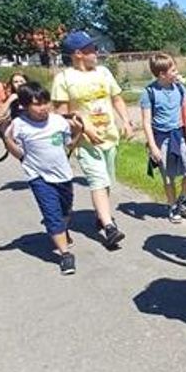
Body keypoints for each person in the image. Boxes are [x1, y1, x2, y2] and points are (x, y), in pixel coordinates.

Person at [51, 31, 134, 250]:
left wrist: (126, 121)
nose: (97, 52)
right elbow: (62, 115)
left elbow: (116, 98)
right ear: (78, 53)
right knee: (97, 180)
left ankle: (101, 215)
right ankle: (109, 227)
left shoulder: (104, 73)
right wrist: (85, 129)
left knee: (106, 181)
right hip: (86, 142)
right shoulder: (64, 79)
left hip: (109, 137)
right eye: (92, 49)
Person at [3, 82, 85, 276]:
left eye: (45, 102)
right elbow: (18, 153)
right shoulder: (19, 125)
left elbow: (69, 145)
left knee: (65, 210)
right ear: (24, 106)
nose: (43, 108)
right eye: (37, 104)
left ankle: (61, 229)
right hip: (38, 176)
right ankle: (65, 255)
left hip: (63, 175)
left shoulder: (58, 121)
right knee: (52, 213)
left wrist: (78, 131)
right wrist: (7, 140)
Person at [140, 52, 186, 223]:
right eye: (173, 70)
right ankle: (173, 205)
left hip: (180, 135)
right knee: (168, 176)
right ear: (162, 74)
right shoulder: (149, 93)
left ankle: (183, 198)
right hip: (162, 138)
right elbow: (146, 122)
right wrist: (153, 146)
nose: (176, 72)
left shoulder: (180, 88)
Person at [0, 72, 28, 162]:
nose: (19, 84)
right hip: (19, 131)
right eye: (16, 82)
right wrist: (9, 100)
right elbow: (0, 114)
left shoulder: (32, 95)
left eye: (21, 81)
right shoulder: (12, 97)